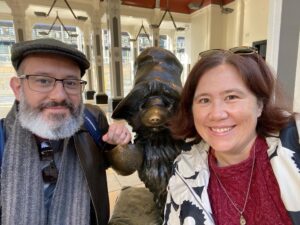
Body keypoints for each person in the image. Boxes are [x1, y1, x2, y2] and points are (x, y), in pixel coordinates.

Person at [1, 38, 132, 225]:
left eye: (71, 83)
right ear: (18, 88)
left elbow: (123, 165)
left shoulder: (91, 122)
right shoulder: (2, 142)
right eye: (43, 81)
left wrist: (117, 143)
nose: (59, 95)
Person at [163, 47, 300, 225]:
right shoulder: (184, 169)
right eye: (204, 100)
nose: (217, 114)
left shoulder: (294, 146)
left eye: (231, 97)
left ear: (260, 105)